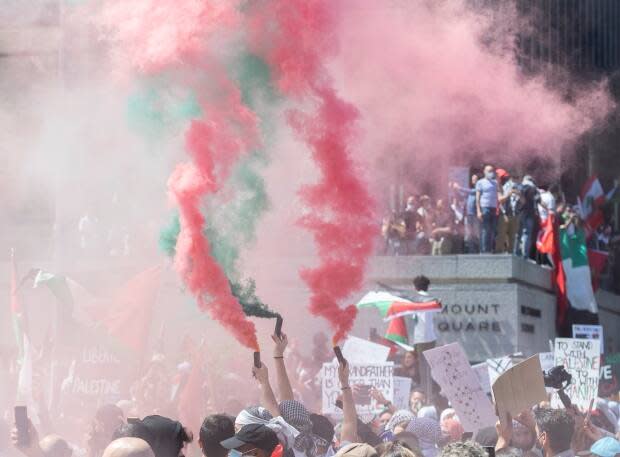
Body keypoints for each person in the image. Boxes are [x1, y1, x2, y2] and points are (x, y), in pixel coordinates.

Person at [514, 176, 540, 259]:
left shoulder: (519, 186)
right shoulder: (534, 189)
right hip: (530, 213)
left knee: (518, 233)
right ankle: (525, 254)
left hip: (520, 212)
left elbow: (515, 197)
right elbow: (538, 200)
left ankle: (516, 252)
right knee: (527, 233)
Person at [475, 165, 499, 253]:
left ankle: (490, 249)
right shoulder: (480, 182)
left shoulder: (495, 183)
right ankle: (484, 251)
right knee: (485, 230)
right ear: (484, 172)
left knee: (492, 230)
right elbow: (477, 197)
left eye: (492, 171)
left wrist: (498, 180)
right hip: (484, 207)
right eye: (489, 171)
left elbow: (499, 193)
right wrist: (478, 210)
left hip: (493, 208)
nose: (491, 172)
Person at [495, 169, 518, 254]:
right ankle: (498, 254)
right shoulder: (498, 187)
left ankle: (510, 254)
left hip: (512, 214)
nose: (506, 179)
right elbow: (500, 200)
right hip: (503, 215)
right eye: (504, 177)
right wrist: (509, 193)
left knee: (512, 238)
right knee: (501, 236)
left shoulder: (508, 186)